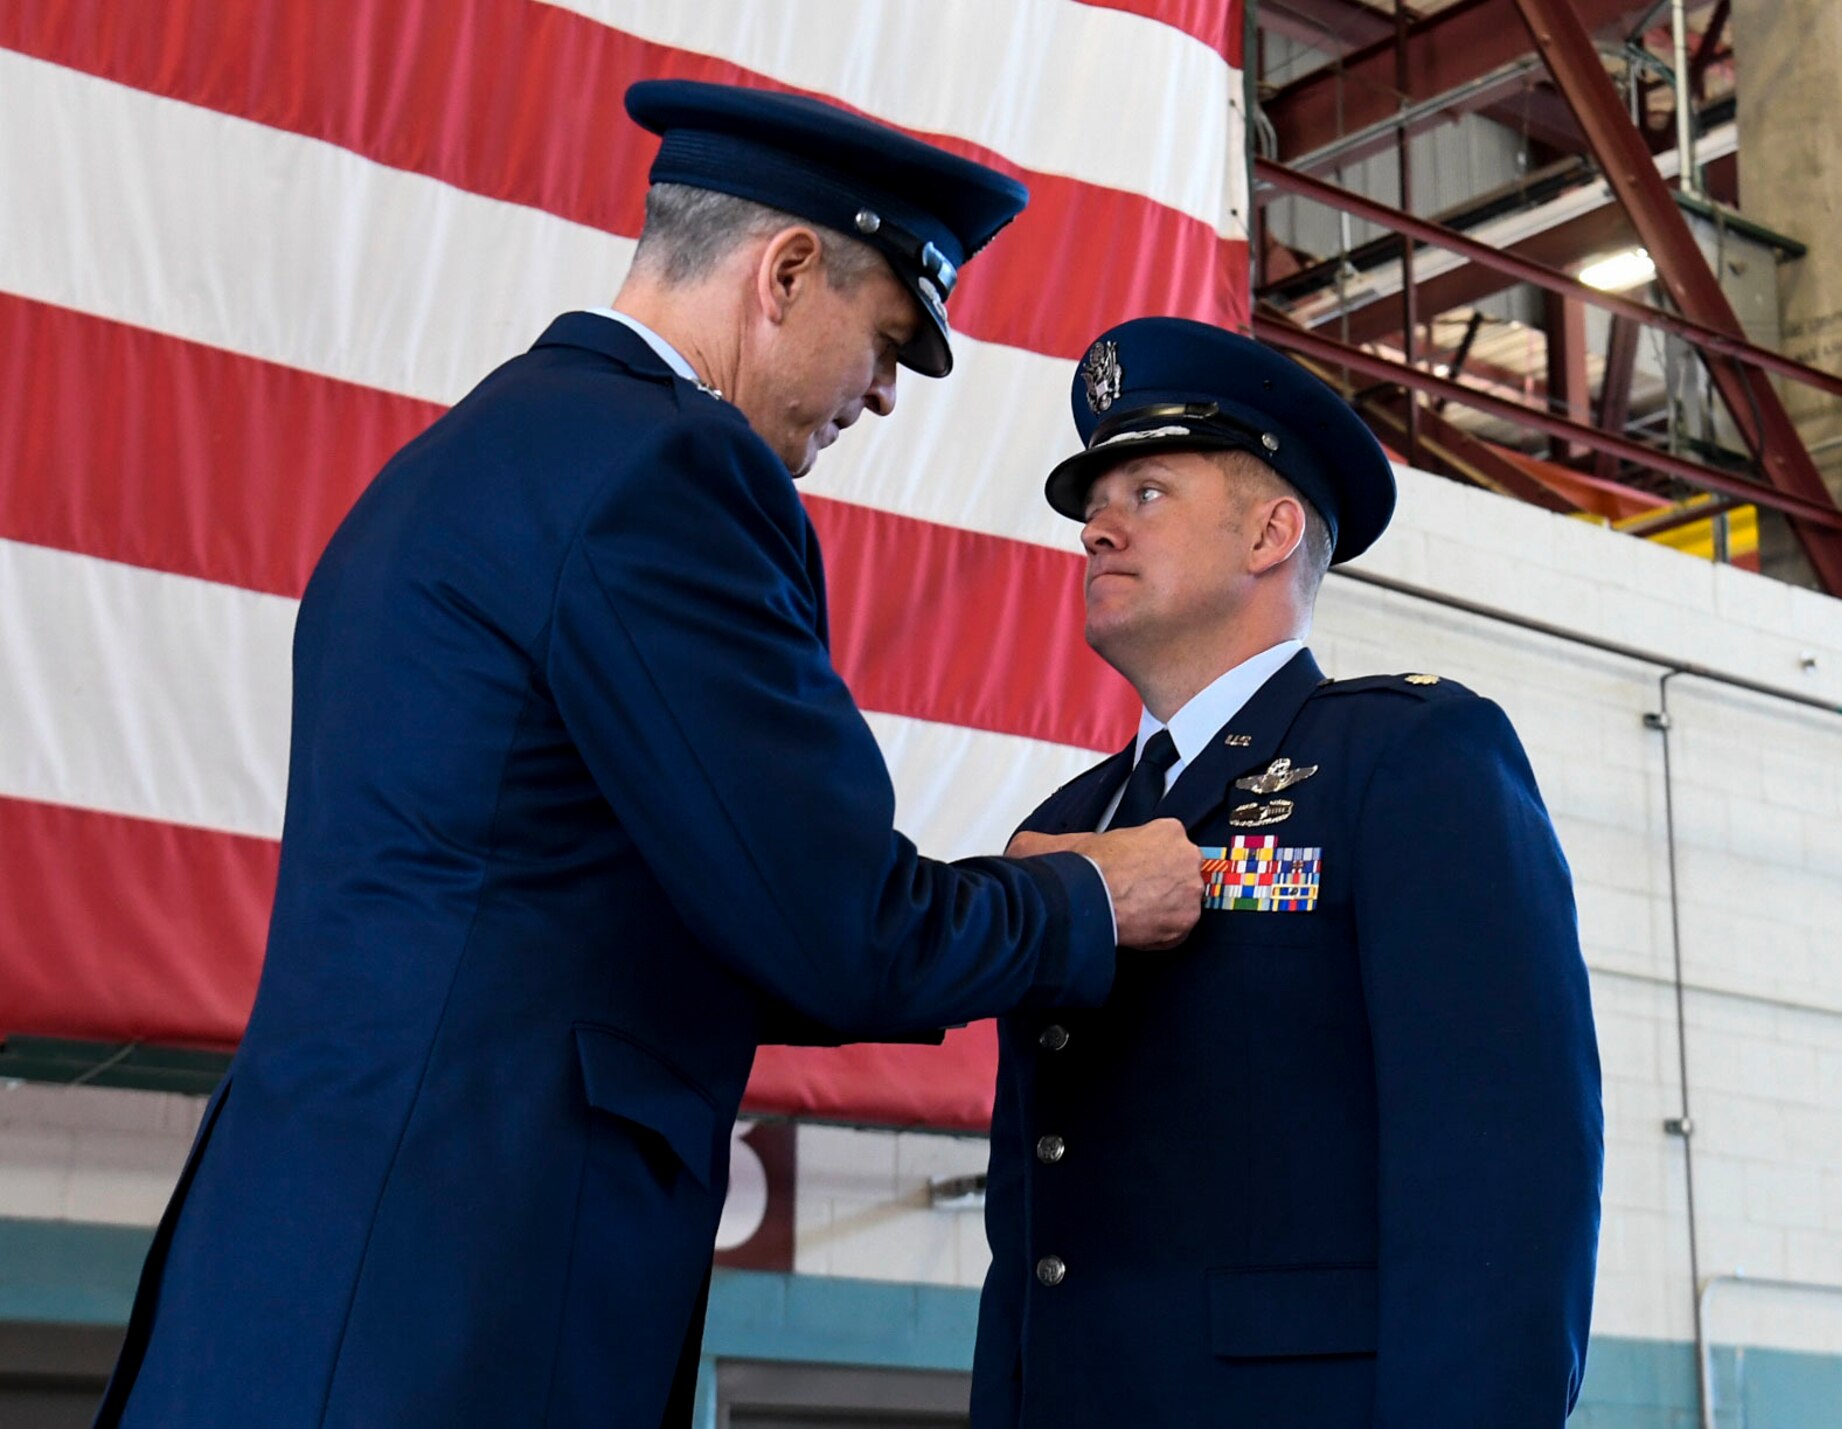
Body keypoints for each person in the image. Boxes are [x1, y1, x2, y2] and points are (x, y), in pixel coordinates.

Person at [96, 82, 1201, 1428]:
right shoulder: (672, 473)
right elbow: (831, 924)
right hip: (459, 1303)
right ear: (786, 271)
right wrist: (1090, 898)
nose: (887, 399)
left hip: (298, 1277)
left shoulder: (461, 460)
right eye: (889, 341)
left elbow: (628, 913)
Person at [972, 316, 1604, 1426]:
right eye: (1090, 507)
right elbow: (1034, 1222)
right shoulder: (1071, 824)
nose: (1094, 533)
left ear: (1270, 531)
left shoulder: (1406, 758)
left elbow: (1501, 1185)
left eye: (1145, 494)